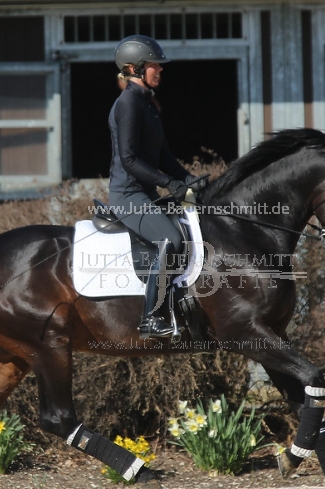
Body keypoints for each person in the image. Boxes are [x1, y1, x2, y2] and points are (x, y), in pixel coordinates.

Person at [107, 35, 204, 338]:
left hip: (146, 194)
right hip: (127, 196)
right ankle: (151, 317)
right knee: (172, 240)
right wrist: (169, 183)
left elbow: (163, 156)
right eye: (154, 67)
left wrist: (189, 180)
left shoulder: (149, 105)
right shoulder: (128, 104)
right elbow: (129, 159)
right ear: (135, 69)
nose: (160, 71)